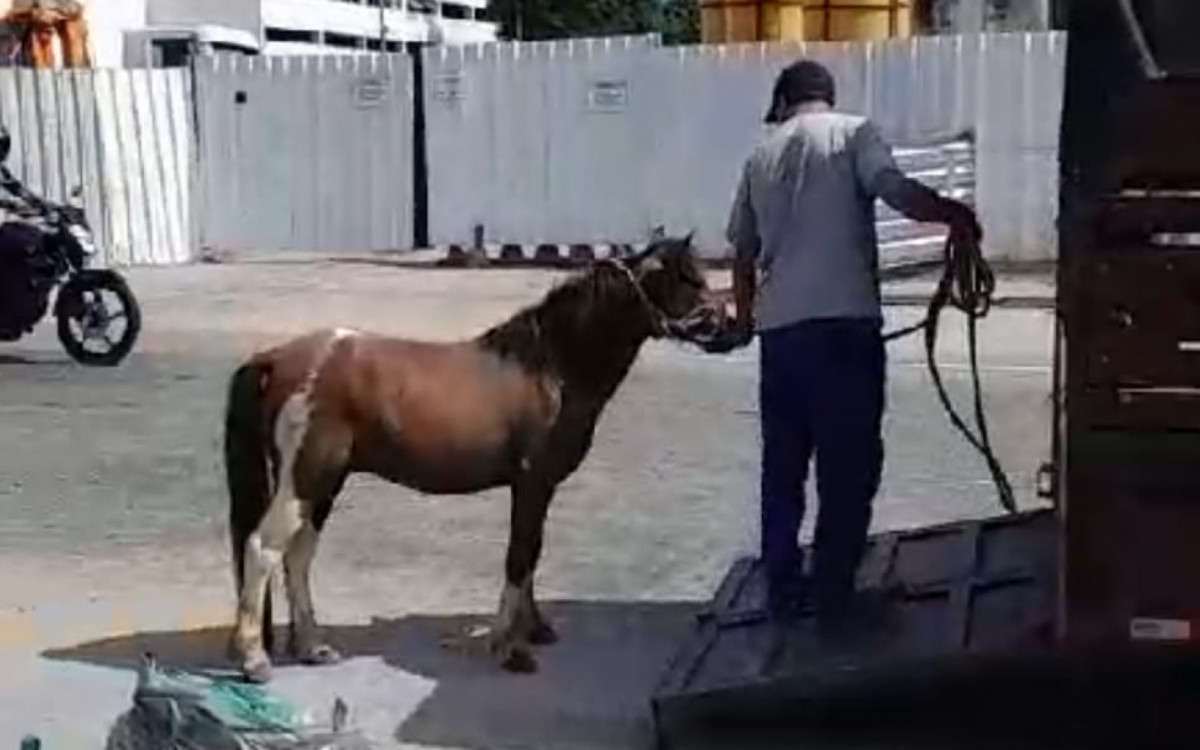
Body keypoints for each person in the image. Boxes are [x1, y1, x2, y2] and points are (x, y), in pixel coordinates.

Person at [711, 59, 982, 633]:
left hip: (780, 333)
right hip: (843, 330)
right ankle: (834, 588)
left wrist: (743, 319)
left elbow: (741, 250)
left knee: (783, 466)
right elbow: (893, 189)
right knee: (848, 462)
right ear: (825, 98)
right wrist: (952, 214)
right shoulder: (854, 133)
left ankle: (783, 586)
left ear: (784, 103)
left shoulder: (760, 156)